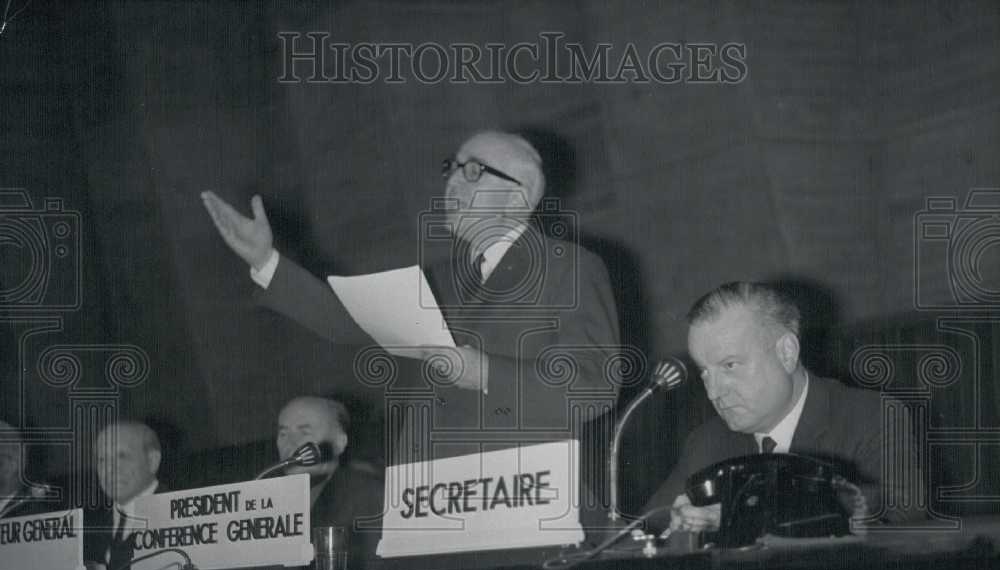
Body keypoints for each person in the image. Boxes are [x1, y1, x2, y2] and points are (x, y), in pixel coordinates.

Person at [201, 130, 620, 519]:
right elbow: (348, 321)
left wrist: (486, 373)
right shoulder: (440, 278)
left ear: (519, 196)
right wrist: (265, 262)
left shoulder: (571, 267)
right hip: (426, 505)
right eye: (451, 169)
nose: (453, 183)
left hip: (520, 503)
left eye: (473, 171)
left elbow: (593, 388)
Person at [644, 281, 926, 534]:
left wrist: (742, 517)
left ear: (787, 353)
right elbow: (639, 528)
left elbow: (901, 516)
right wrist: (677, 524)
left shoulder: (870, 416)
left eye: (730, 365)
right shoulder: (706, 441)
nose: (714, 392)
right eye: (705, 372)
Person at [274, 396, 384, 570]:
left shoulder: (367, 494)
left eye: (304, 432)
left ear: (339, 443)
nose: (290, 443)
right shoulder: (270, 499)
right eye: (283, 433)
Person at [91, 421, 167, 570]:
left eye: (122, 456)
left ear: (153, 461)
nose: (110, 469)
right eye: (102, 459)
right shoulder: (87, 525)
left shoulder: (179, 515)